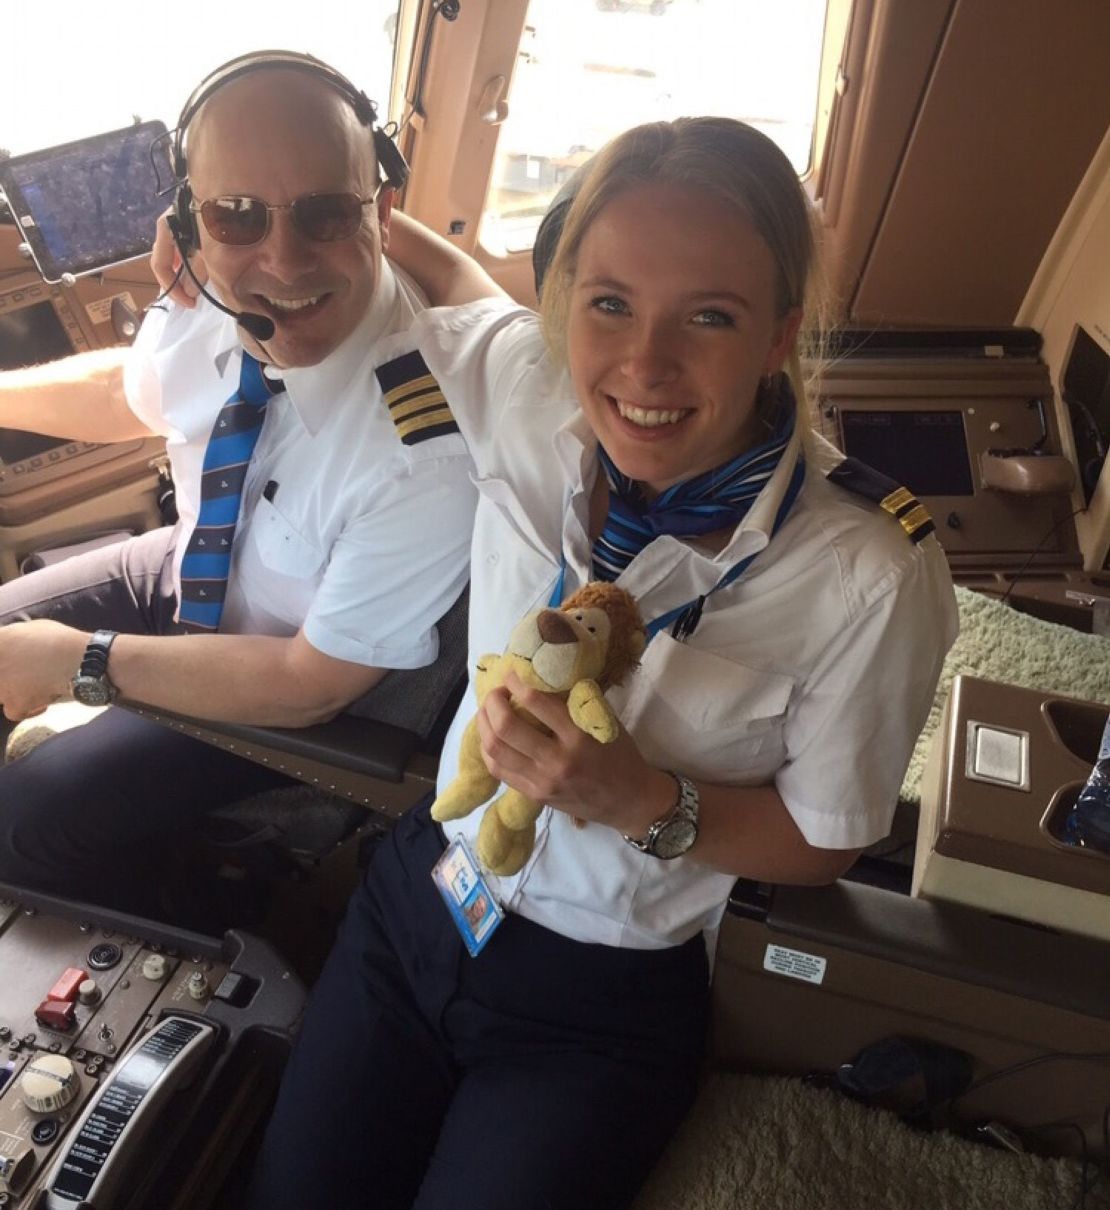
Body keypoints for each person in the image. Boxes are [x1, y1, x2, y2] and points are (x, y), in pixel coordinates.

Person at [240, 116, 959, 1210]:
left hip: (602, 994)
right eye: (609, 303)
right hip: (421, 897)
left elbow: (828, 835)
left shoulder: (872, 572)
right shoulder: (520, 384)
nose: (644, 366)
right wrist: (213, 270)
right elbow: (354, 288)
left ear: (779, 335)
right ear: (560, 305)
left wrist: (638, 800)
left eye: (708, 317)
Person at [0, 53, 475, 925]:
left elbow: (311, 684)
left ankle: (217, 942)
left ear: (382, 212)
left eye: (328, 213)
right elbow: (129, 396)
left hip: (291, 683)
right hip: (190, 574)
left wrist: (78, 661)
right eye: (238, 214)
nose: (283, 262)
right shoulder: (208, 295)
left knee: (20, 821)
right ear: (190, 225)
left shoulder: (424, 445)